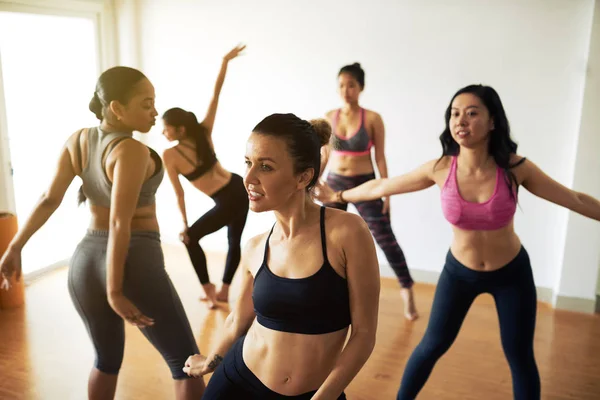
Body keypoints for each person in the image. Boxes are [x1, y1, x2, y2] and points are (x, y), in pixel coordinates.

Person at [314, 83, 600, 399]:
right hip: (459, 273)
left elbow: (575, 199)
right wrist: (339, 195)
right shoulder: (441, 168)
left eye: (472, 113)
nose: (460, 120)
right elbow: (382, 186)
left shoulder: (516, 168)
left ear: (493, 121)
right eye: (455, 113)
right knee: (431, 346)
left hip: (511, 274)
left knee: (519, 356)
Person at [0, 66, 205, 399]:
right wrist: (115, 291)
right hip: (132, 262)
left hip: (84, 262)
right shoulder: (131, 150)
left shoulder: (78, 139)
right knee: (186, 362)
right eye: (146, 103)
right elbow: (119, 223)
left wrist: (14, 247)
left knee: (106, 362)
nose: (155, 112)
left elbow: (48, 199)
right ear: (117, 108)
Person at [182, 113, 380, 399]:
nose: (248, 178)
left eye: (265, 167)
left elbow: (363, 335)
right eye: (248, 163)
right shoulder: (254, 247)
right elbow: (237, 320)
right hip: (237, 380)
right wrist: (211, 361)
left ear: (303, 177)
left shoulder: (346, 233)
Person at [320, 62, 417, 320]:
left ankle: (407, 288)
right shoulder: (330, 116)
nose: (345, 90)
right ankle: (327, 293)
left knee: (384, 237)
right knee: (326, 237)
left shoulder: (372, 119)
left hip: (365, 182)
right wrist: (313, 183)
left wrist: (387, 193)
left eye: (351, 85)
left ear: (360, 87)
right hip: (334, 183)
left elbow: (381, 157)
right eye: (341, 84)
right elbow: (324, 154)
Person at [162, 44, 249, 309]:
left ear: (178, 129)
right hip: (238, 187)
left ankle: (210, 291)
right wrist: (223, 60)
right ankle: (221, 291)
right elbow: (178, 193)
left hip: (229, 196)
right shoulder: (201, 134)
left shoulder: (174, 152)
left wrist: (186, 226)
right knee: (233, 241)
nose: (163, 134)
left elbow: (216, 94)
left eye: (165, 129)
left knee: (192, 239)